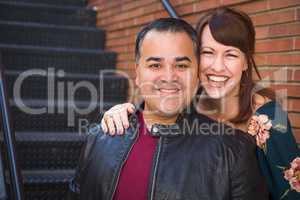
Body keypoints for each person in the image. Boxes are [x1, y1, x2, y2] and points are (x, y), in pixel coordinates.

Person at [100, 7, 300, 200]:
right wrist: (124, 113)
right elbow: (149, 118)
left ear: (246, 62)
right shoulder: (188, 102)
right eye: (208, 52)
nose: (217, 67)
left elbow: (292, 193)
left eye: (230, 54)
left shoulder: (270, 120)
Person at [69, 17, 268, 199]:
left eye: (181, 66)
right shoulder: (100, 137)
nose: (168, 77)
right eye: (155, 65)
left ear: (197, 73)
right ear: (137, 73)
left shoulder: (234, 152)